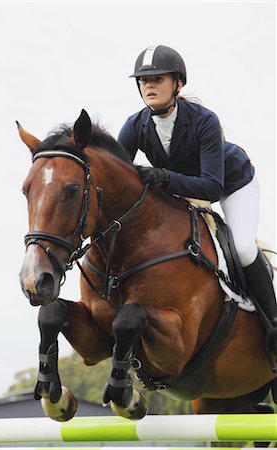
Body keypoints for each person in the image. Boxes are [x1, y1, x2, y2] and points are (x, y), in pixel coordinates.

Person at [118, 44, 277, 362]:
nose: (148, 85)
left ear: (177, 83)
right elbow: (120, 176)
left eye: (157, 79)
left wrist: (161, 177)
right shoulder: (135, 126)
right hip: (181, 191)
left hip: (232, 184)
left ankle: (272, 324)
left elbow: (211, 188)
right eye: (143, 80)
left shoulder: (204, 121)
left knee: (243, 247)